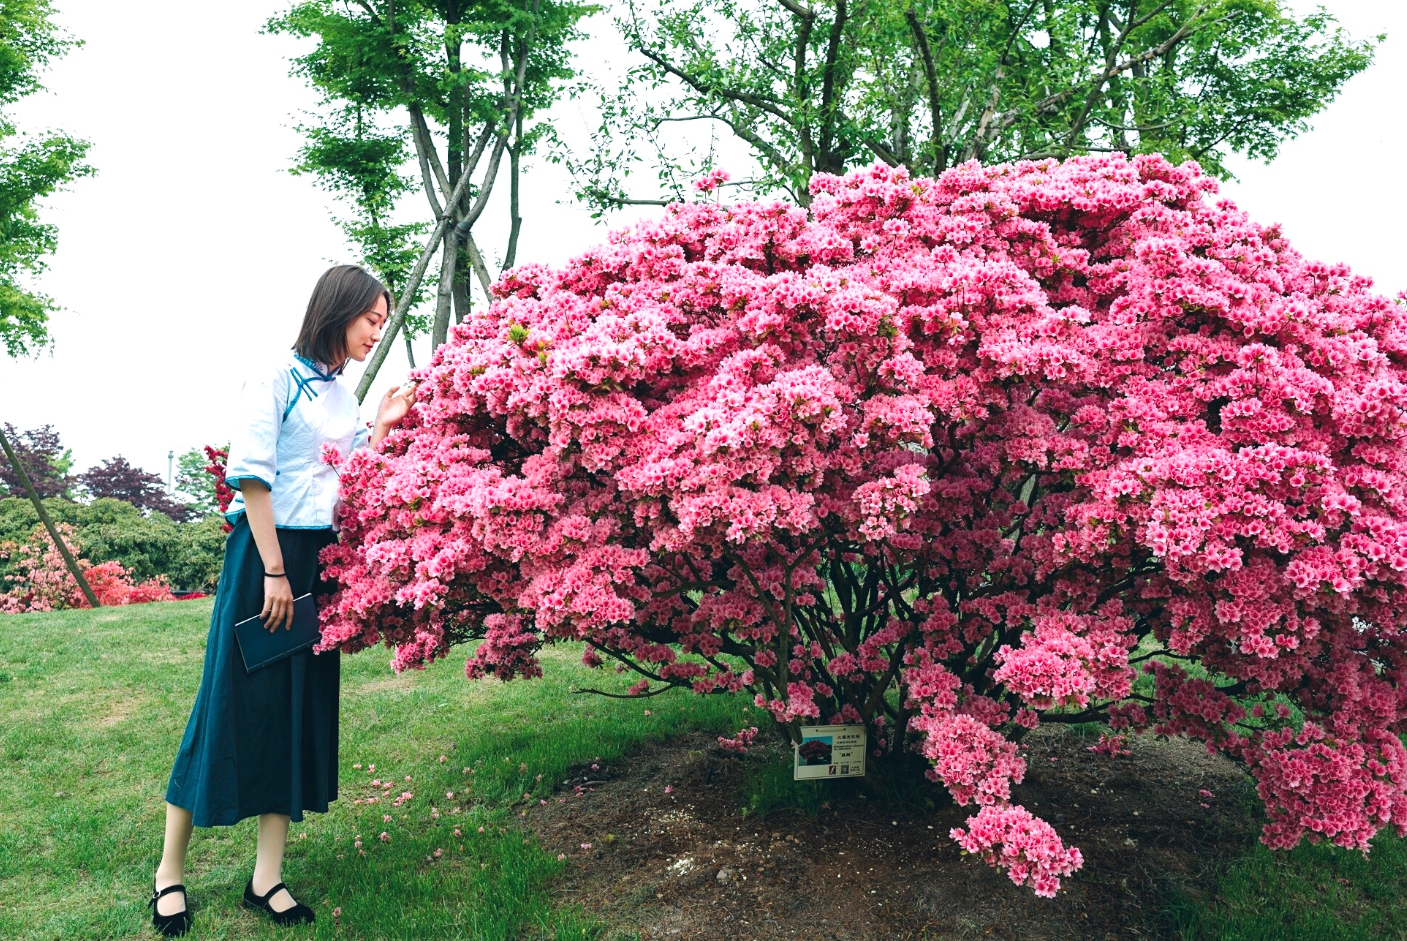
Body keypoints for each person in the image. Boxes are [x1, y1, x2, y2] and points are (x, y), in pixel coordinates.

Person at [149, 265, 416, 936]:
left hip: (314, 562)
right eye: (371, 320)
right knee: (227, 708)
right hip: (264, 560)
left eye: (383, 323)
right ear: (339, 310)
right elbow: (252, 479)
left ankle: (266, 875)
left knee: (293, 710)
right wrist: (272, 570)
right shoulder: (273, 377)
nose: (376, 331)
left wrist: (380, 425)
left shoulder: (340, 397)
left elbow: (348, 479)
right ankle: (168, 873)